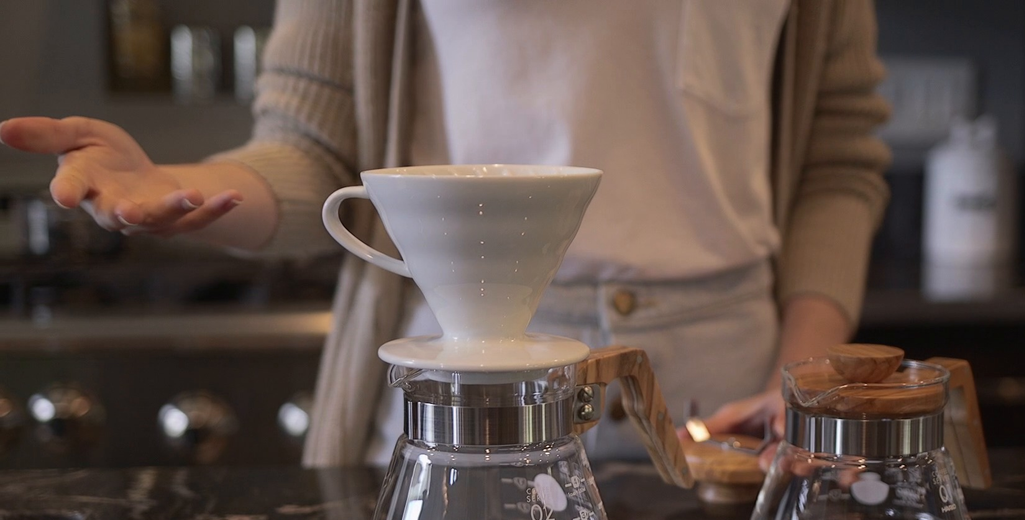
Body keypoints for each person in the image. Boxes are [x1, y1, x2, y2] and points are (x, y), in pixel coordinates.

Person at [0, 0, 890, 467]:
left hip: (729, 383)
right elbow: (314, 151)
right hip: (459, 366)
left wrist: (809, 373)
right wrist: (183, 188)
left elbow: (837, 153)